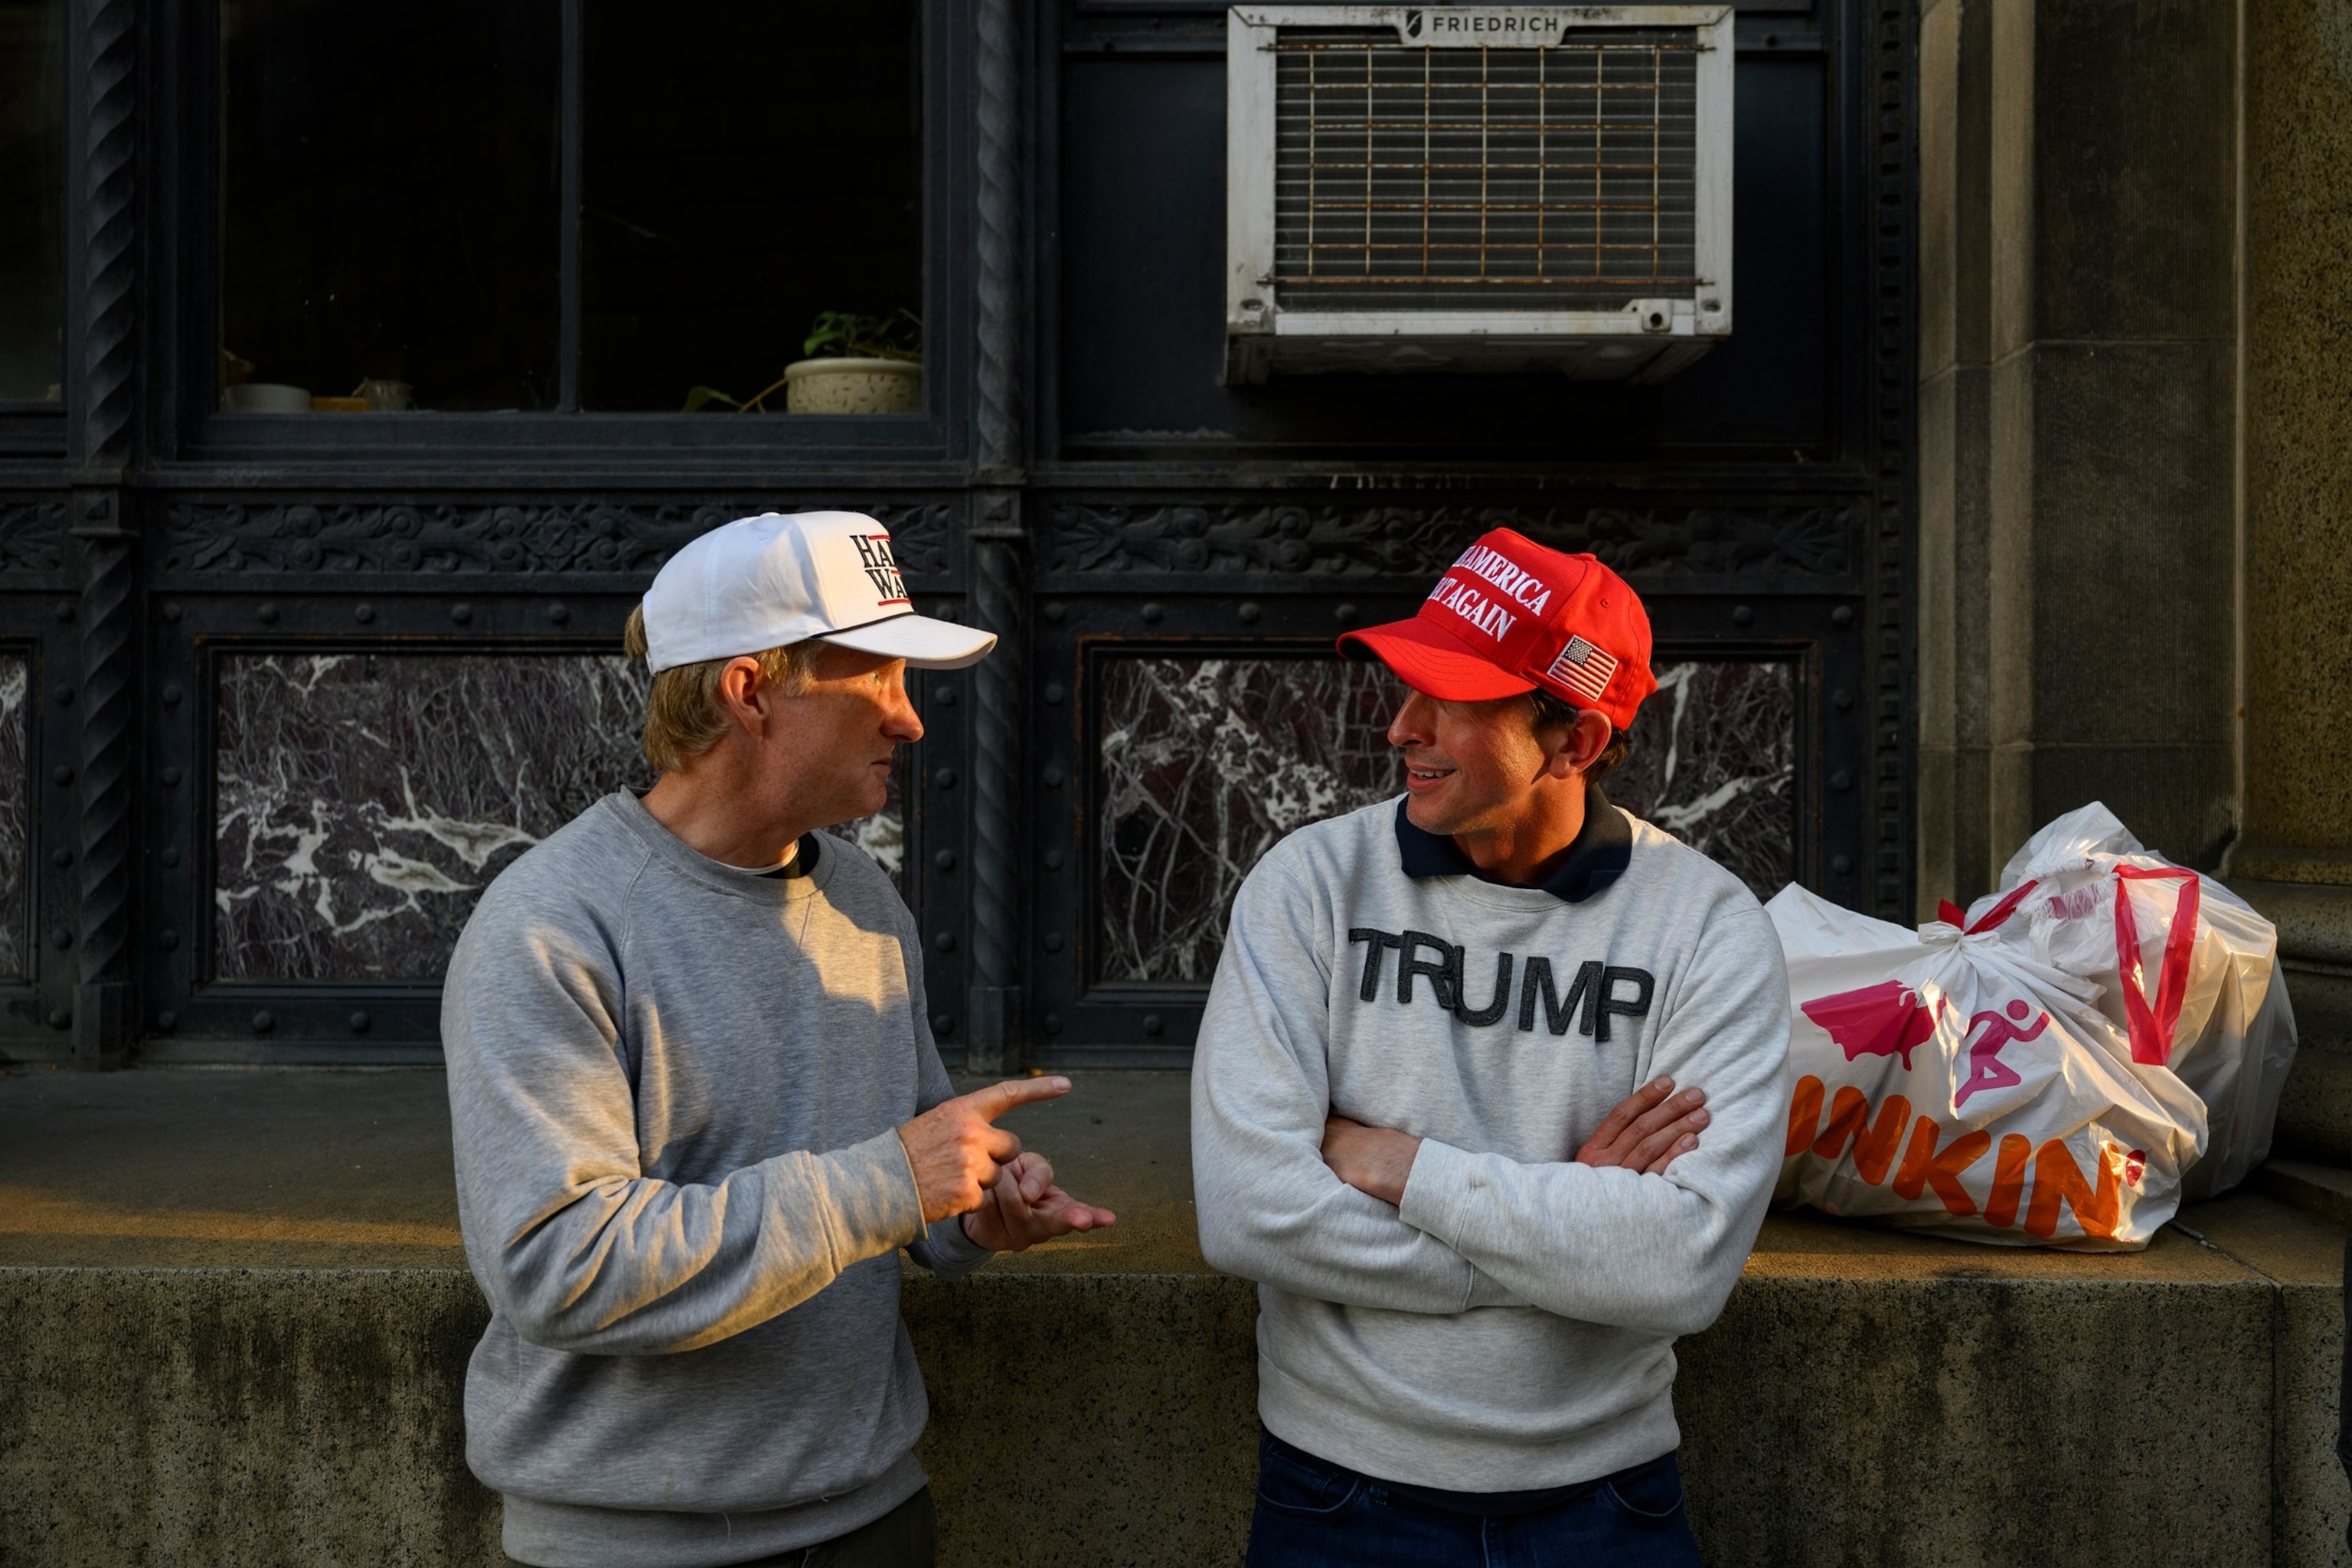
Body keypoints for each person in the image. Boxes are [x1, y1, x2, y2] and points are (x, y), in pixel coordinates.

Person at [442, 511, 1115, 1568]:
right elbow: (557, 1269)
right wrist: (892, 1182)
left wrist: (976, 1208)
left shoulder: (863, 899)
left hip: (873, 1518)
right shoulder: (553, 925)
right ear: (748, 692)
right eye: (879, 680)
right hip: (632, 1550)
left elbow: (904, 1177)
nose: (913, 722)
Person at [1191, 528, 1792, 1566]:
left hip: (1607, 1508)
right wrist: (1565, 1231)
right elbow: (1251, 1215)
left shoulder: (1707, 927)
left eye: (1455, 697)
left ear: (1575, 743)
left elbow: (1683, 1270)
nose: (1400, 727)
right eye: (1407, 683)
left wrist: (1401, 1166)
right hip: (1336, 1499)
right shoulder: (1308, 886)